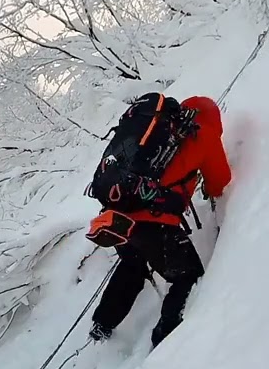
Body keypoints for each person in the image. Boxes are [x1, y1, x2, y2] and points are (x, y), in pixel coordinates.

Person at [89, 95, 231, 348]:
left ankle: (102, 324)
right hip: (155, 223)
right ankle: (166, 342)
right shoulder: (203, 133)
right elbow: (220, 180)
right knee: (187, 276)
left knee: (132, 265)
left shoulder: (158, 135)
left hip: (120, 216)